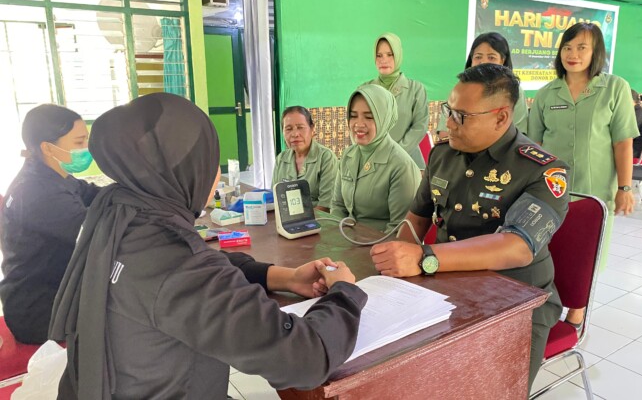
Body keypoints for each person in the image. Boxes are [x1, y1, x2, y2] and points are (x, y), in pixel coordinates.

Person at [49, 93, 367, 399]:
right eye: (209, 162)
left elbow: (205, 266)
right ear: (186, 171)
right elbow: (305, 358)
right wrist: (344, 294)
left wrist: (283, 277)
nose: (214, 176)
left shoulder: (117, 210)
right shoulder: (177, 262)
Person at [369, 64, 569, 391]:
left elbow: (516, 246)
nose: (448, 123)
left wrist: (423, 258)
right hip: (447, 291)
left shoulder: (542, 170)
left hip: (517, 305)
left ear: (501, 117)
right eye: (449, 111)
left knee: (490, 391)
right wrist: (396, 264)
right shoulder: (442, 156)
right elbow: (416, 217)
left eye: (461, 116)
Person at [528, 23, 639, 327]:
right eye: (567, 47)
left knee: (587, 250)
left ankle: (577, 311)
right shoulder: (546, 93)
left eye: (582, 47)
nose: (573, 54)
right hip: (551, 190)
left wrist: (625, 187)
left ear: (596, 52)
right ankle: (547, 304)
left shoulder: (614, 88)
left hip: (595, 191)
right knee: (549, 247)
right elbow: (534, 146)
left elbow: (622, 141)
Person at [0, 104, 99, 344]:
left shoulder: (53, 176)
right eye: (78, 142)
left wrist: (134, 189)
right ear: (47, 147)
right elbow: (95, 232)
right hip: (40, 310)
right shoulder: (36, 191)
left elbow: (94, 194)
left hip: (56, 292)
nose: (86, 148)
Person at [330, 84, 421, 233]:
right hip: (346, 242)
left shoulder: (401, 166)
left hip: (380, 248)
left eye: (369, 117)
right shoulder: (348, 155)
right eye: (353, 116)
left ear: (384, 118)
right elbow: (338, 206)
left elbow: (399, 229)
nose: (358, 124)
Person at [437, 32, 529, 137]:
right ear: (471, 60)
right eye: (478, 57)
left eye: (491, 57)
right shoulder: (460, 89)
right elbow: (444, 132)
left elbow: (519, 133)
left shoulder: (514, 91)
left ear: (502, 61)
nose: (483, 62)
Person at [363, 32, 429, 169]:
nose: (383, 60)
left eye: (390, 54)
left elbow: (420, 126)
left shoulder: (415, 89)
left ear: (398, 55)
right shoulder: (365, 90)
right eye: (379, 55)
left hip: (408, 162)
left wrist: (394, 154)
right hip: (373, 163)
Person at [272, 106, 338, 212]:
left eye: (300, 127)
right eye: (288, 129)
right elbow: (275, 198)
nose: (295, 134)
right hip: (286, 220)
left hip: (318, 221)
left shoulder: (326, 158)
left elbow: (326, 206)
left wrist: (300, 220)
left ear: (312, 129)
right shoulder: (281, 158)